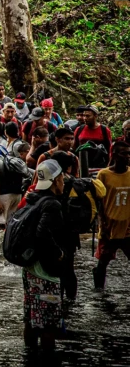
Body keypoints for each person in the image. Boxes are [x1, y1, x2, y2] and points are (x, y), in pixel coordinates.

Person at [21, 159, 67, 351]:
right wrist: (58, 252)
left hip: (30, 267)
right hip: (45, 271)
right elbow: (42, 233)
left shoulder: (32, 198)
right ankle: (48, 364)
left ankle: (29, 358)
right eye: (62, 178)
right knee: (48, 324)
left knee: (31, 318)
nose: (64, 182)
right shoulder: (52, 204)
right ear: (55, 180)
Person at [93, 141, 130, 290]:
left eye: (129, 153)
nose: (127, 156)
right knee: (103, 261)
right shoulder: (104, 175)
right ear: (114, 155)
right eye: (124, 153)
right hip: (109, 227)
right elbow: (99, 201)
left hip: (127, 227)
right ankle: (99, 291)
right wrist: (102, 223)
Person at [73, 105, 112, 171]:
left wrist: (109, 165)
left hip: (100, 165)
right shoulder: (79, 129)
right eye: (84, 115)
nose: (85, 118)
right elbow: (74, 147)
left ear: (95, 116)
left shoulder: (104, 130)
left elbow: (109, 149)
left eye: (88, 116)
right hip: (82, 164)